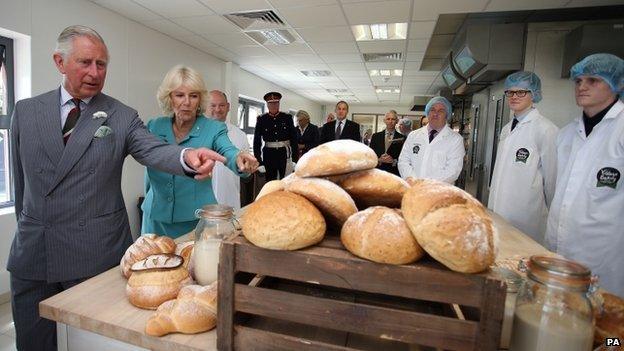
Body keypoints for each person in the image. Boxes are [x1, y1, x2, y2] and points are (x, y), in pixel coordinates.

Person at [7, 25, 225, 351]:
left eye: (102, 64)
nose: (95, 73)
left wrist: (186, 157)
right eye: (86, 62)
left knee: (90, 343)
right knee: (34, 343)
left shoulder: (120, 116)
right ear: (59, 62)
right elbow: (23, 185)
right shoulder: (26, 112)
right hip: (34, 254)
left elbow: (153, 149)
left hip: (93, 254)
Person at [546, 53, 624, 296]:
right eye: (578, 81)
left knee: (604, 327)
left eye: (593, 80)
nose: (582, 87)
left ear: (615, 84)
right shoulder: (566, 134)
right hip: (559, 246)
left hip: (603, 254)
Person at [488, 71, 558, 244]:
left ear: (533, 94)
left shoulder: (546, 129)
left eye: (521, 92)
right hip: (498, 209)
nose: (514, 96)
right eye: (510, 92)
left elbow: (552, 181)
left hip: (527, 216)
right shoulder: (506, 129)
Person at [398, 96, 464, 183]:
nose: (435, 113)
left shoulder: (455, 139)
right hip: (412, 187)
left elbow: (453, 171)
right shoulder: (413, 135)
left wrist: (427, 184)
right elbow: (403, 161)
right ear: (427, 113)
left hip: (438, 192)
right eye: (432, 110)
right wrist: (412, 180)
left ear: (447, 115)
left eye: (441, 111)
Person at [207, 90, 251, 211]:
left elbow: (246, 171)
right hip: (202, 204)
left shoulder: (240, 135)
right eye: (213, 105)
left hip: (230, 201)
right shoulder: (196, 134)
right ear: (205, 107)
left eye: (221, 105)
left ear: (228, 107)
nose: (217, 109)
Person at [253, 91, 298, 181]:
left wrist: (295, 160)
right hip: (269, 155)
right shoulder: (262, 119)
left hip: (285, 154)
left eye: (276, 103)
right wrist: (259, 161)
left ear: (279, 104)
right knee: (270, 181)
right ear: (267, 105)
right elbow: (257, 142)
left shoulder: (287, 117)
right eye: (271, 103)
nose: (273, 105)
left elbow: (294, 139)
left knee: (286, 180)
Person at [370, 110, 405, 176]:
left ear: (397, 121)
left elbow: (404, 158)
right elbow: (371, 155)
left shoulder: (402, 138)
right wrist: (379, 160)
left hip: (394, 173)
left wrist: (394, 161)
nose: (390, 121)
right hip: (378, 172)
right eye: (388, 119)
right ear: (384, 121)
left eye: (393, 119)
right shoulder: (375, 136)